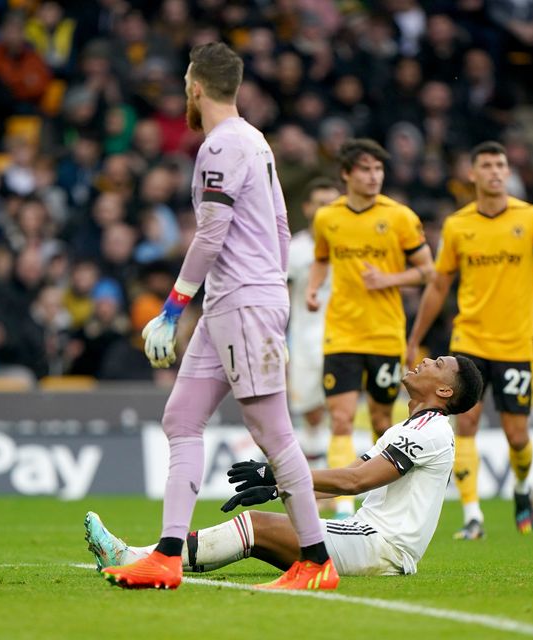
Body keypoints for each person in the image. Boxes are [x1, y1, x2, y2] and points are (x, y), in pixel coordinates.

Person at [101, 42, 336, 592]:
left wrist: (172, 308)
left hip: (241, 302)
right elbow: (280, 226)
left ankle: (316, 559)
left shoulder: (219, 147)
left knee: (272, 432)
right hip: (236, 300)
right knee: (181, 418)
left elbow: (211, 234)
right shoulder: (256, 142)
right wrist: (267, 286)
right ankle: (166, 554)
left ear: (195, 87)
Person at [85, 355, 484, 578]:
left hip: (381, 547)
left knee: (257, 527)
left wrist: (276, 473)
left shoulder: (431, 431)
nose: (426, 359)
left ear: (444, 390)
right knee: (261, 528)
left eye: (438, 363)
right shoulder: (410, 426)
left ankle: (133, 558)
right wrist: (280, 488)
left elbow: (356, 481)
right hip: (367, 536)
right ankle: (140, 556)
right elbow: (344, 477)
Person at [406, 141, 533, 540]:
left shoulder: (532, 218)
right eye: (487, 165)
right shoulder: (458, 225)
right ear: (473, 174)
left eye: (501, 164)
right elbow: (439, 285)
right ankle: (472, 516)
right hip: (470, 342)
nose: (496, 171)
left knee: (518, 436)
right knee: (467, 424)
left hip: (516, 344)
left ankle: (520, 487)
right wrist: (415, 338)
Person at [306, 138, 434, 519]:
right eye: (365, 169)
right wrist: (313, 288)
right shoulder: (327, 218)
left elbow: (428, 270)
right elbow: (321, 259)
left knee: (381, 419)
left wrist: (389, 279)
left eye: (378, 169)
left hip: (384, 335)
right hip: (341, 333)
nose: (374, 176)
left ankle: (386, 496)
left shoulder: (400, 217)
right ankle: (344, 506)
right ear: (346, 174)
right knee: (341, 418)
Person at [286, 177, 341, 463]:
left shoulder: (351, 246)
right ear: (308, 208)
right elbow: (281, 296)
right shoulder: (295, 248)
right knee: (311, 413)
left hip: (345, 338)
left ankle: (339, 483)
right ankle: (316, 486)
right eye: (321, 204)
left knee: (341, 412)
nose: (327, 209)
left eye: (333, 204)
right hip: (304, 341)